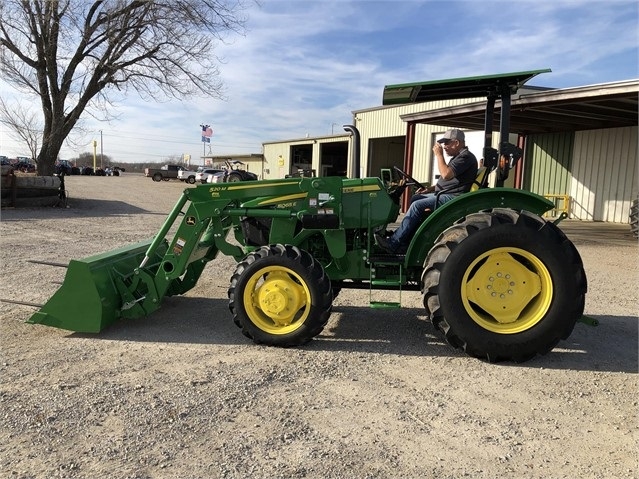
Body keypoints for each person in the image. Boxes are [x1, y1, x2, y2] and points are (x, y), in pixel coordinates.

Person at [375, 129, 478, 253]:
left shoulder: (465, 157)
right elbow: (450, 182)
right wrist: (429, 189)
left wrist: (439, 155)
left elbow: (446, 174)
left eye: (447, 143)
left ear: (456, 142)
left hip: (454, 197)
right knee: (415, 199)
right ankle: (405, 238)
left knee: (417, 206)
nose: (444, 147)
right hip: (447, 193)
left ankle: (392, 244)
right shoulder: (458, 157)